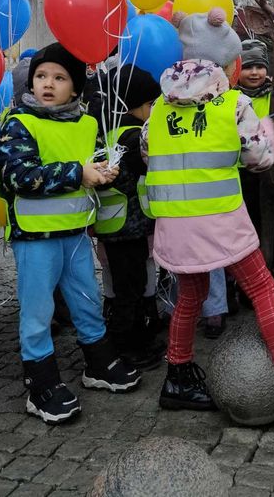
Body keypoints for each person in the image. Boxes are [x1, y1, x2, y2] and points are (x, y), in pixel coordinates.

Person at [146, 8, 274, 418]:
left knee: (190, 295)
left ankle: (176, 375)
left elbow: (148, 152)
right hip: (220, 220)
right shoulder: (234, 104)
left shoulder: (159, 108)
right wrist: (265, 135)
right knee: (263, 289)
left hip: (174, 225)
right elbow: (259, 160)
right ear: (229, 64)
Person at [0, 43, 141, 425]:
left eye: (59, 78)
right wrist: (80, 173)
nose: (47, 83)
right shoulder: (18, 122)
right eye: (41, 76)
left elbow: (94, 164)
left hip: (76, 234)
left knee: (87, 300)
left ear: (75, 88)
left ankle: (98, 363)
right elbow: (18, 177)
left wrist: (108, 172)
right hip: (35, 237)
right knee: (38, 310)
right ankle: (41, 383)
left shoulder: (88, 123)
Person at [93, 64, 164, 369]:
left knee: (129, 286)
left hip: (118, 226)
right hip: (128, 226)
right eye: (150, 105)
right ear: (133, 105)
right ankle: (125, 346)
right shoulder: (133, 138)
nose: (153, 111)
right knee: (130, 289)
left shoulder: (107, 130)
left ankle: (136, 337)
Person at [234, 39, 274, 279]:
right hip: (242, 171)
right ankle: (251, 268)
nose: (254, 72)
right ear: (237, 69)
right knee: (250, 220)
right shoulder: (230, 98)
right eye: (248, 67)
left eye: (259, 66)